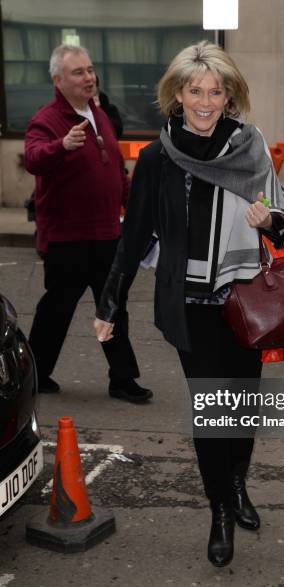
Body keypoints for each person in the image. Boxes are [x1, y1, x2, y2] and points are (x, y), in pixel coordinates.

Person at [94, 41, 284, 566]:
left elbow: (282, 210)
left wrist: (268, 219)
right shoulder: (158, 157)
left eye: (216, 90)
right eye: (195, 90)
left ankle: (237, 484)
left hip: (246, 296)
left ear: (230, 96)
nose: (206, 101)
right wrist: (108, 305)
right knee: (213, 411)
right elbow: (133, 236)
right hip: (190, 302)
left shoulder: (251, 145)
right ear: (177, 95)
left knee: (243, 406)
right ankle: (220, 512)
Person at [24, 44, 152, 404]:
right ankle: (35, 374)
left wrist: (133, 204)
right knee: (56, 310)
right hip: (67, 239)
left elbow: (114, 169)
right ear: (58, 80)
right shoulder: (46, 120)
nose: (88, 77)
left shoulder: (100, 114)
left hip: (107, 234)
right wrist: (61, 145)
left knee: (113, 307)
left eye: (90, 70)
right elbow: (33, 158)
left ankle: (123, 380)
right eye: (78, 72)